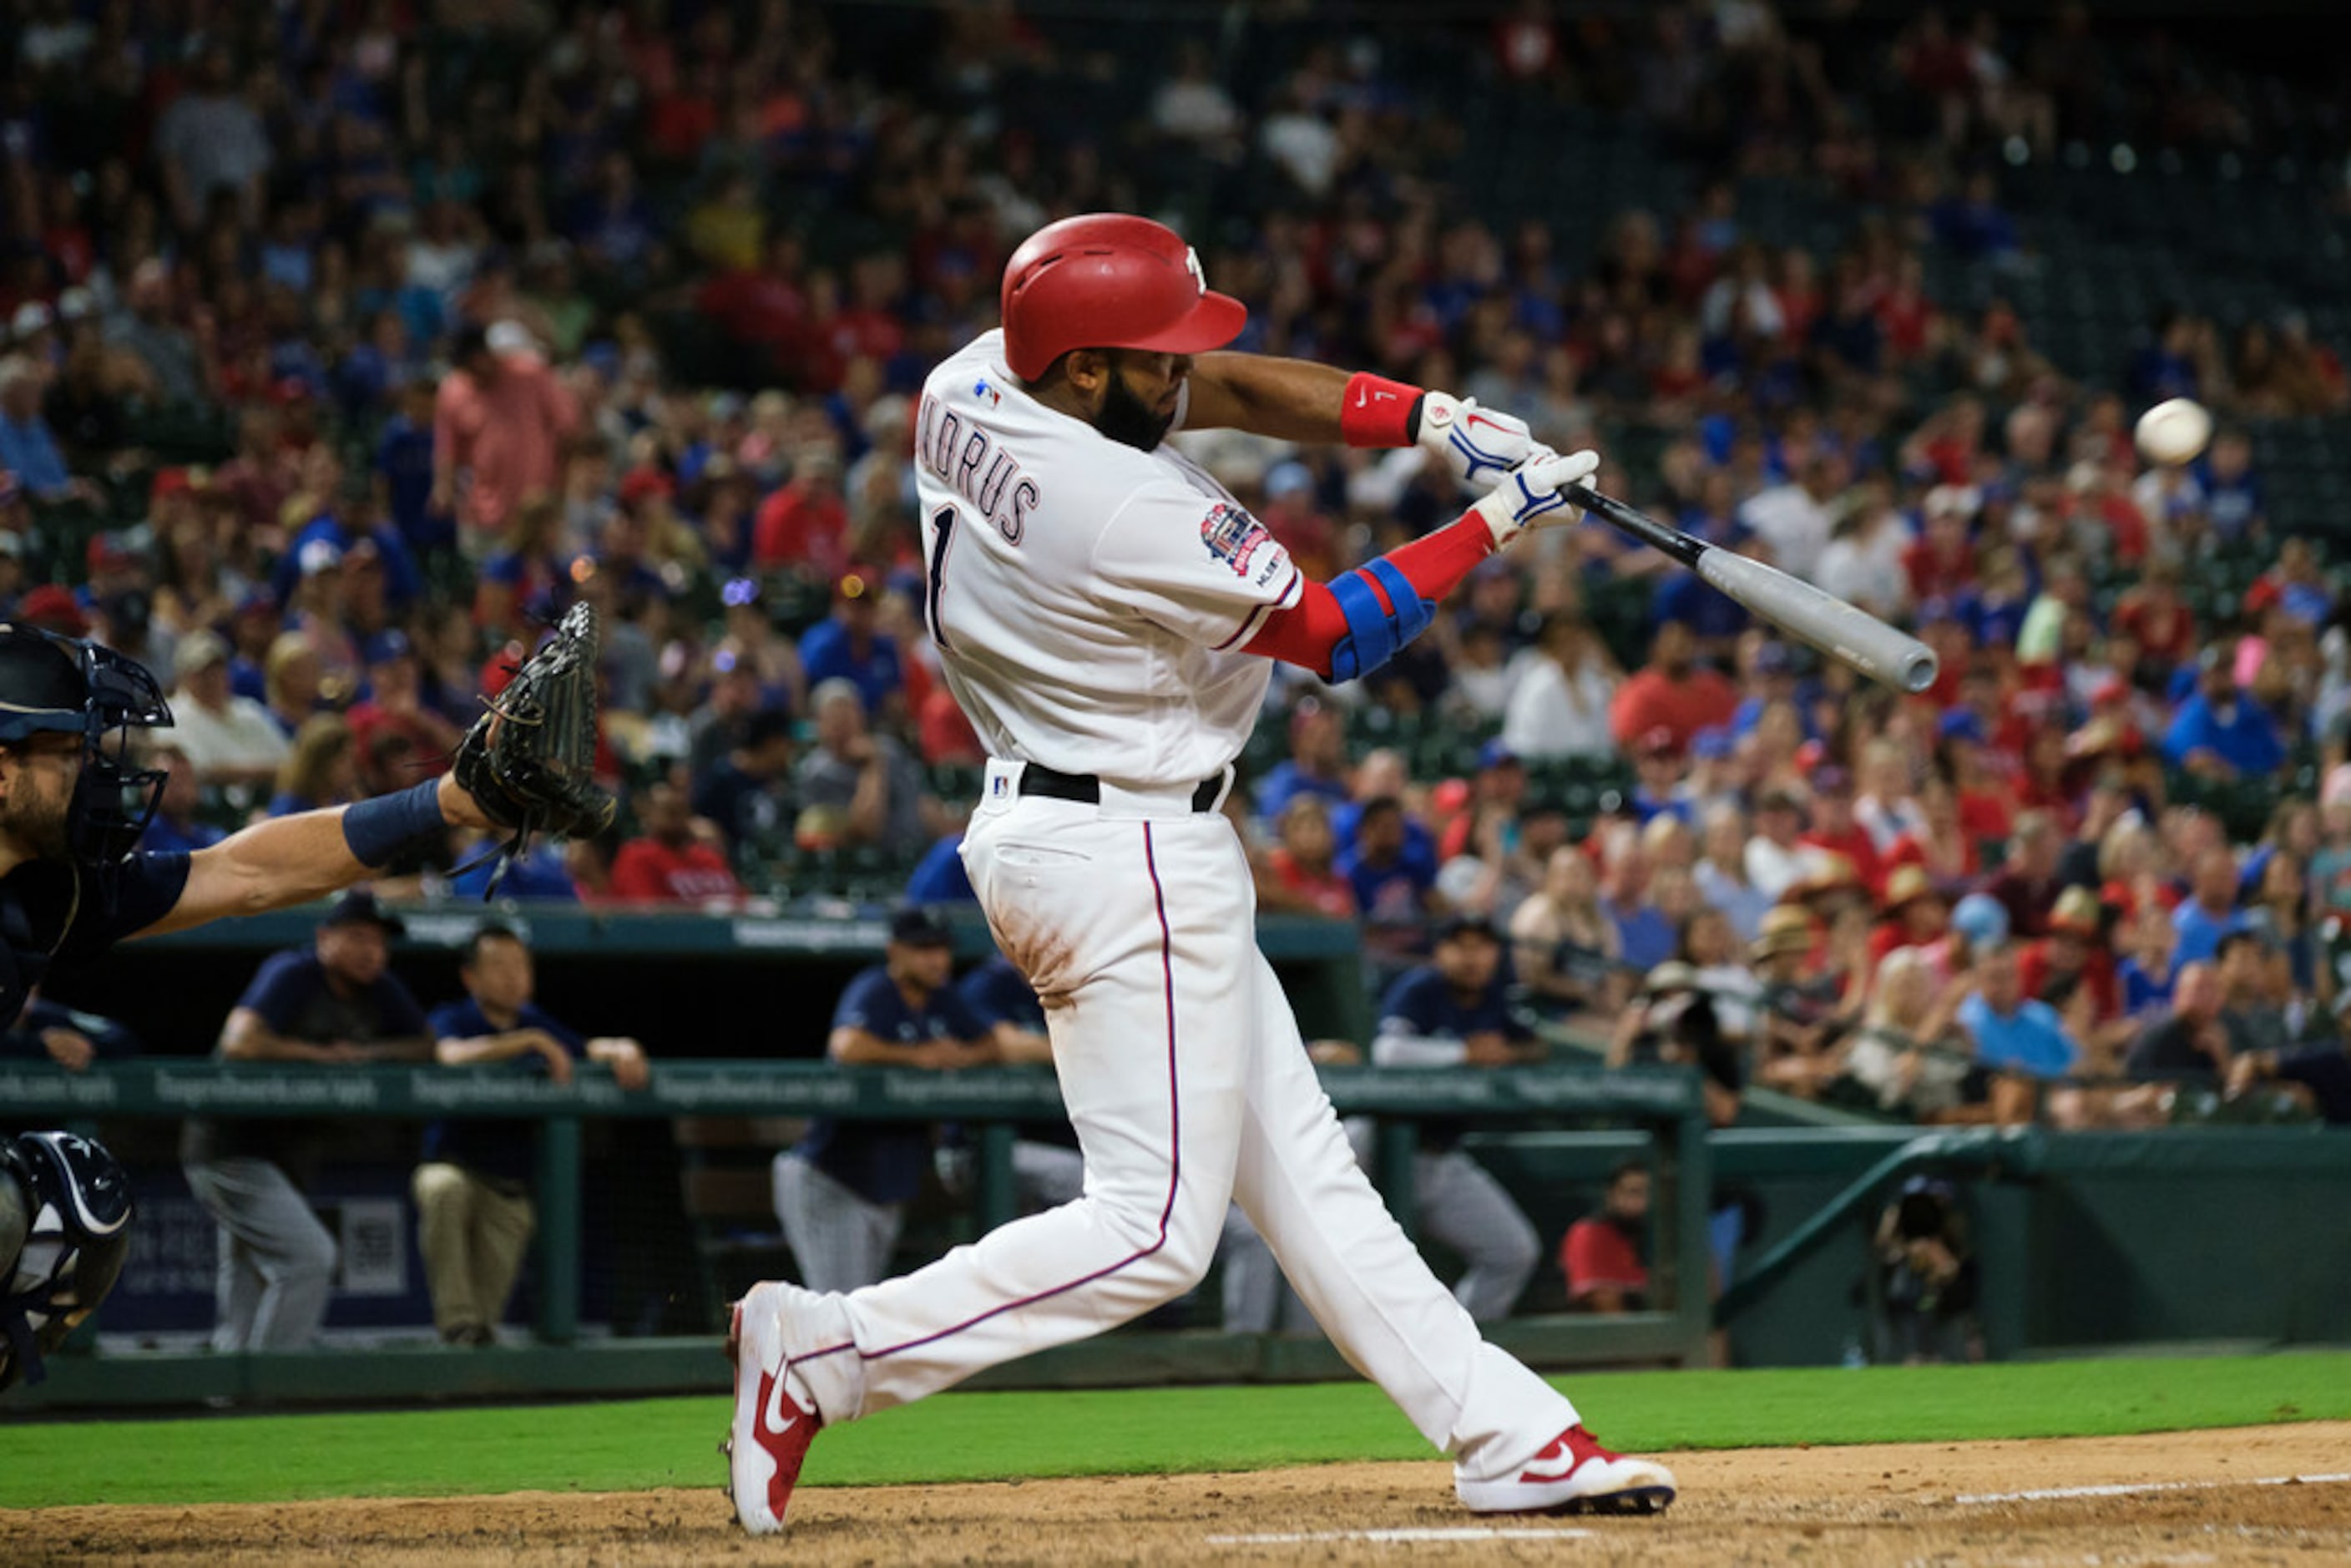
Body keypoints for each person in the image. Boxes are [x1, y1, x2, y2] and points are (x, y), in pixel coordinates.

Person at [728, 213, 1674, 1535]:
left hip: (1075, 815)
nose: (1183, 379)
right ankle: (827, 1349)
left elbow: (1219, 383)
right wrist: (1494, 522)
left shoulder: (973, 377)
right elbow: (1335, 636)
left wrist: (1428, 416)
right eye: (1149, 360)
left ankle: (1506, 1434)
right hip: (1127, 844)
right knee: (1155, 1230)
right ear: (1082, 372)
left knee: (1307, 1175)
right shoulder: (1120, 503)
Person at [0, 620, 504, 1040]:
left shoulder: (50, 891)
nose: (89, 778)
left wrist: (439, 802)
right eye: (66, 757)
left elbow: (246, 870)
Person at [180, 891, 435, 1353]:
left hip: (286, 1152)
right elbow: (240, 1042)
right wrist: (319, 1056)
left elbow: (426, 1045)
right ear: (324, 937)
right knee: (309, 1258)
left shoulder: (379, 987)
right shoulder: (293, 972)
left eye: (379, 942)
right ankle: (272, 1381)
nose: (371, 951)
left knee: (248, 1271)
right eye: (357, 937)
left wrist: (366, 1054)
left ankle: (231, 1382)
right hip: (229, 1142)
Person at [417, 923, 649, 1346]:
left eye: (522, 965)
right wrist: (530, 1042)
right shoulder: (454, 1016)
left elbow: (582, 1049)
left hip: (508, 1190)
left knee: (482, 1329)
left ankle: (466, 1360)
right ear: (471, 976)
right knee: (442, 1189)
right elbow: (449, 1055)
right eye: (499, 966)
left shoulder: (532, 1020)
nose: (513, 976)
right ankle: (456, 1322)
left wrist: (620, 1046)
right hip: (456, 1169)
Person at [771, 907, 993, 1294]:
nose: (936, 959)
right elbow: (847, 1045)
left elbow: (995, 1042)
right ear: (895, 951)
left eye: (942, 948)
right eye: (923, 948)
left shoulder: (943, 999)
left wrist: (962, 1057)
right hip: (832, 1176)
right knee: (841, 1315)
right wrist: (919, 1056)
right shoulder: (875, 988)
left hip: (884, 1183)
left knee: (854, 1313)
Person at [1363, 914, 1546, 1325]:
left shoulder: (1492, 997)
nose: (1471, 957)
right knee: (1335, 1257)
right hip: (1380, 1151)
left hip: (1441, 1157)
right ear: (1440, 952)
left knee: (1512, 1251)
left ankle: (1451, 1349)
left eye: (1481, 947)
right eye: (1460, 945)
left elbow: (1535, 1047)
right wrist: (1463, 1053)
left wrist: (1507, 1053)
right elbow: (1388, 1052)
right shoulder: (1421, 987)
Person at [1560, 1161, 1650, 1313]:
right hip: (1606, 1333)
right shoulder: (1587, 1234)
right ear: (1611, 1194)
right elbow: (1604, 1304)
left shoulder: (1671, 1234)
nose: (1643, 1202)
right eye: (1634, 1192)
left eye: (1649, 1194)